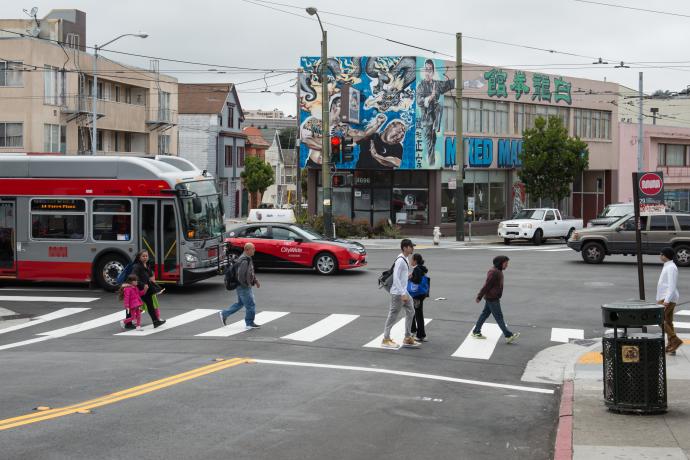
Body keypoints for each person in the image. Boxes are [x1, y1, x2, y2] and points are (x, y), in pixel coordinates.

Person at [472, 255, 520, 344]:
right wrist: (479, 296)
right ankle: (508, 335)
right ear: (500, 263)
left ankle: (476, 331)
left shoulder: (498, 271)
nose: (507, 265)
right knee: (499, 317)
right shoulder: (494, 272)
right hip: (492, 298)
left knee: (484, 314)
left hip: (492, 297)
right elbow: (487, 285)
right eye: (505, 263)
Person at [416, 59, 455, 166]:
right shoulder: (421, 85)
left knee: (440, 105)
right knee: (430, 144)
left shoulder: (437, 85)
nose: (427, 72)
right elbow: (419, 101)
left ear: (433, 72)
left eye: (430, 70)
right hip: (426, 121)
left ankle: (436, 126)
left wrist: (473, 82)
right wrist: (430, 97)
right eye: (426, 69)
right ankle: (431, 163)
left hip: (435, 118)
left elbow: (450, 84)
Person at [381, 239, 419, 348]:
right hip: (398, 293)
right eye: (411, 246)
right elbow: (396, 278)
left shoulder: (406, 259)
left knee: (411, 311)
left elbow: (401, 277)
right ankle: (386, 339)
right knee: (393, 315)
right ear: (405, 248)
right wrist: (402, 293)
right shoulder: (400, 260)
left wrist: (407, 276)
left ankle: (407, 337)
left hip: (403, 291)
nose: (413, 248)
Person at [219, 243, 261, 329]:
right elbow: (241, 276)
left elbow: (250, 272)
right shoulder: (244, 260)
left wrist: (255, 281)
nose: (254, 250)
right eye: (253, 249)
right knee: (250, 305)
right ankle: (249, 323)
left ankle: (224, 313)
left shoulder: (247, 258)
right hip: (243, 286)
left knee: (240, 303)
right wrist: (245, 285)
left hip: (242, 286)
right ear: (247, 250)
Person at [129, 249, 166, 329]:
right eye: (143, 256)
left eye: (146, 256)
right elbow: (133, 277)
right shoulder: (136, 266)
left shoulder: (146, 265)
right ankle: (129, 322)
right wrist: (142, 285)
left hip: (147, 289)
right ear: (139, 257)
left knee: (150, 305)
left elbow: (149, 275)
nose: (145, 257)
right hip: (140, 289)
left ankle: (155, 321)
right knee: (136, 305)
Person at [658, 247, 682, 355]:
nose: (660, 256)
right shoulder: (668, 266)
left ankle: (675, 340)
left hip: (667, 298)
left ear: (665, 256)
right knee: (668, 322)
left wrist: (666, 301)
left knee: (658, 319)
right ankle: (671, 345)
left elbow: (672, 286)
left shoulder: (671, 267)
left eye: (661, 254)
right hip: (666, 297)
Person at [409, 253, 429, 342]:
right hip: (422, 293)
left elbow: (417, 280)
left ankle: (421, 335)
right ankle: (413, 330)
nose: (410, 261)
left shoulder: (417, 268)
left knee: (418, 314)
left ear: (415, 261)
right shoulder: (422, 268)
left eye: (411, 259)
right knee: (414, 311)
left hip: (417, 294)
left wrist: (411, 277)